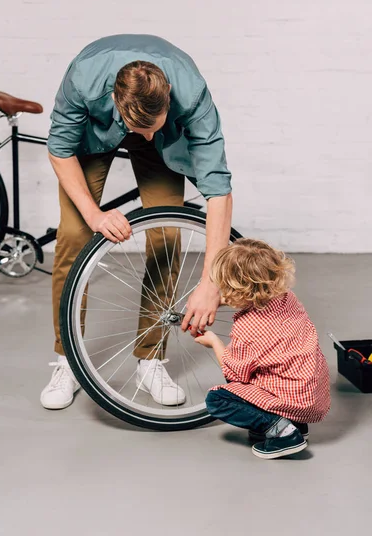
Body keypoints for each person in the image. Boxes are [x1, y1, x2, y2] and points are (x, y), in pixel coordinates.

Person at [40, 34, 233, 410]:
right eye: (138, 127)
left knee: (166, 237)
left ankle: (151, 358)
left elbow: (218, 190)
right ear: (115, 100)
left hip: (165, 140)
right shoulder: (84, 79)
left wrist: (211, 280)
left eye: (153, 125)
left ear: (170, 95)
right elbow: (60, 149)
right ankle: (68, 360)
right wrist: (95, 215)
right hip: (94, 135)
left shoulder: (191, 94)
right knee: (74, 237)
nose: (143, 136)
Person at [194, 238, 330, 459]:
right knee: (277, 370)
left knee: (217, 399)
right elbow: (255, 297)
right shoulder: (287, 298)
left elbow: (233, 374)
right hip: (313, 397)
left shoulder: (248, 329)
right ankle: (296, 425)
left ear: (234, 289)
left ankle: (283, 433)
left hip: (290, 400)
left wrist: (214, 342)